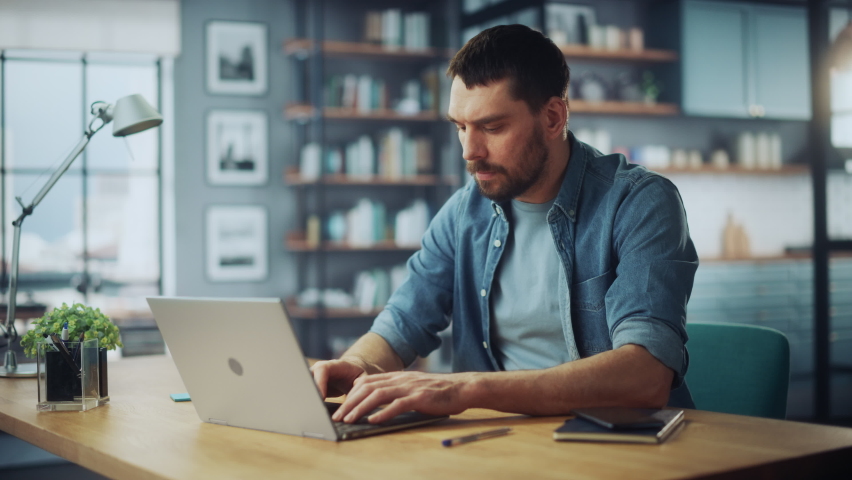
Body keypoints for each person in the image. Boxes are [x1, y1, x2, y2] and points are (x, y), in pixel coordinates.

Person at [312, 24, 698, 425]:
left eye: (491, 128)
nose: (469, 152)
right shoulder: (464, 211)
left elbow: (646, 376)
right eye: (461, 127)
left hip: (620, 447)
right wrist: (359, 364)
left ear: (552, 117)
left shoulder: (639, 203)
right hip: (502, 444)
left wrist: (466, 389)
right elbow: (401, 324)